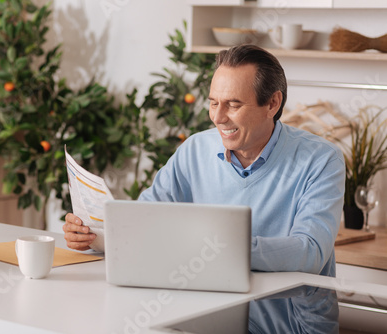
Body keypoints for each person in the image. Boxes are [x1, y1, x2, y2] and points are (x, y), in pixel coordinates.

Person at [63, 44, 345, 277]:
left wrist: (220, 248)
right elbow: (144, 221)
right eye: (213, 102)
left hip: (288, 321)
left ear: (272, 103)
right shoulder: (195, 149)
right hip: (208, 310)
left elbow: (310, 252)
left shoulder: (320, 160)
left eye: (233, 105)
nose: (218, 117)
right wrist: (95, 237)